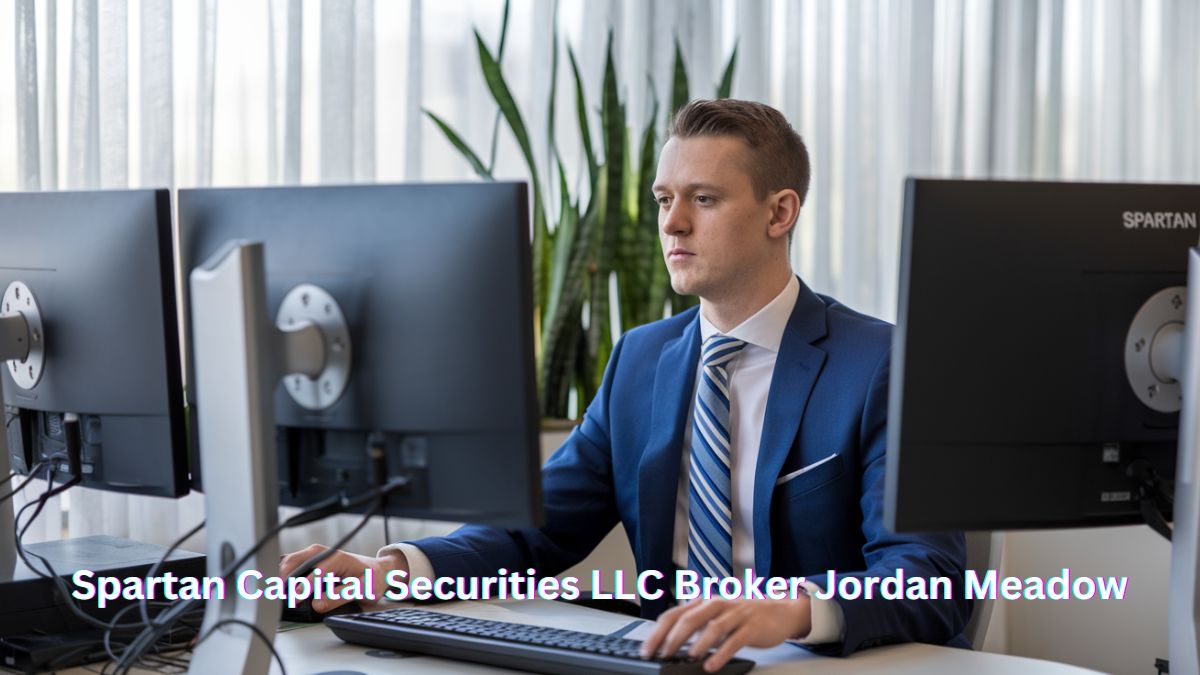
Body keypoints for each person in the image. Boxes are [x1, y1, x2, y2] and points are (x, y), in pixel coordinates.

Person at [281, 98, 970, 671]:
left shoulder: (883, 363)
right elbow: (537, 529)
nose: (671, 222)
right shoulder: (641, 358)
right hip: (667, 663)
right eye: (665, 198)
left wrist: (791, 608)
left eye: (703, 198)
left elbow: (929, 575)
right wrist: (394, 567)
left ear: (779, 211)